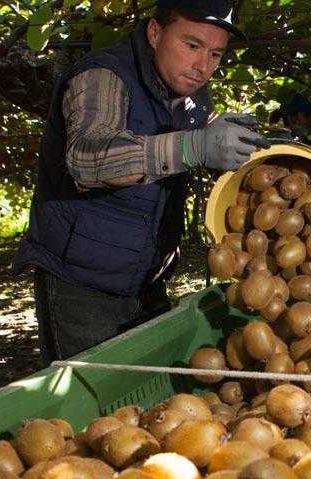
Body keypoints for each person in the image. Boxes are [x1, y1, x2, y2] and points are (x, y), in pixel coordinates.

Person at [13, 0, 269, 365]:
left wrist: (234, 146)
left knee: (144, 389)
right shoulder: (102, 76)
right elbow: (87, 157)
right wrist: (194, 146)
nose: (203, 66)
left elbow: (198, 135)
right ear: (154, 32)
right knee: (94, 390)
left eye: (215, 54)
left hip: (148, 276)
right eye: (192, 45)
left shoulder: (190, 92)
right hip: (83, 283)